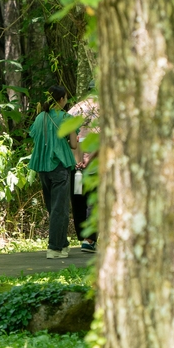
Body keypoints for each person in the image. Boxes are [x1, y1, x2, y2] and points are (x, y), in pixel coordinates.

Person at [28, 85, 79, 259]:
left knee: (53, 207)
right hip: (59, 164)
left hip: (42, 165)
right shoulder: (66, 118)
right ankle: (54, 247)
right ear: (61, 99)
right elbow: (74, 144)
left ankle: (62, 244)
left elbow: (35, 137)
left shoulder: (40, 117)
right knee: (60, 208)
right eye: (66, 98)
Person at [68, 83, 99, 253]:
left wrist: (76, 157)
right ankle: (89, 239)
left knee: (78, 196)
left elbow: (67, 132)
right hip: (94, 159)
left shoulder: (77, 108)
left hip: (76, 159)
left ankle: (82, 235)